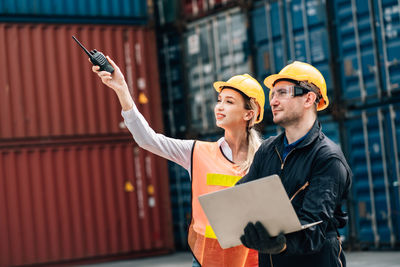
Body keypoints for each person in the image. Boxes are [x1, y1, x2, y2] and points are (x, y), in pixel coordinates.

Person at [91, 56, 265, 267]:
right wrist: (122, 90)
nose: (219, 106)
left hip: (251, 262)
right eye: (219, 100)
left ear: (249, 113)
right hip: (205, 260)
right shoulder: (196, 152)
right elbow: (148, 140)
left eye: (229, 102)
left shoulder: (265, 157)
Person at [237, 61, 352, 267]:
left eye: (282, 93)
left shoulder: (327, 158)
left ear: (309, 98)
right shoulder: (268, 150)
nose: (273, 101)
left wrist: (279, 244)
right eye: (272, 94)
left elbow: (314, 229)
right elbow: (243, 194)